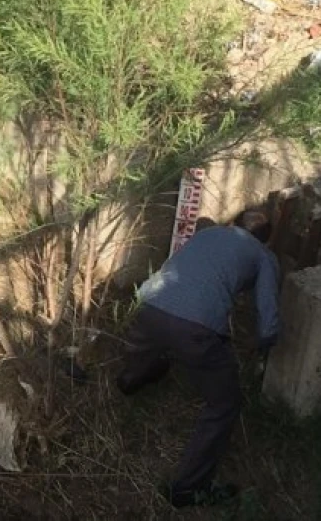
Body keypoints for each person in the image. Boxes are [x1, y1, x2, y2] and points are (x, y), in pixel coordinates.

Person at [116, 209, 281, 508]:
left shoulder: (206, 233)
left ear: (233, 224)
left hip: (147, 304)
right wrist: (265, 343)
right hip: (195, 328)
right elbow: (267, 316)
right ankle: (187, 489)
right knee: (224, 404)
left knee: (158, 339)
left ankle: (130, 380)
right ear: (265, 240)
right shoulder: (263, 256)